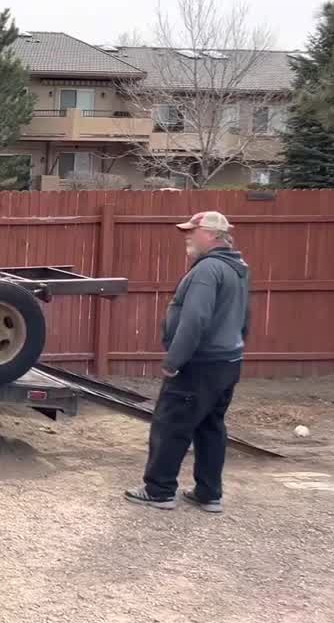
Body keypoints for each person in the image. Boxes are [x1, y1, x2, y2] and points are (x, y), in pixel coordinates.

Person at [125, 211, 250, 513]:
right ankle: (209, 494)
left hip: (199, 364)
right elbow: (245, 318)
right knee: (210, 427)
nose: (187, 236)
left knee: (171, 425)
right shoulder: (237, 268)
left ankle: (159, 491)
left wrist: (174, 360)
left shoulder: (208, 270)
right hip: (227, 362)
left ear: (210, 235)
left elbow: (195, 319)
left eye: (192, 231)